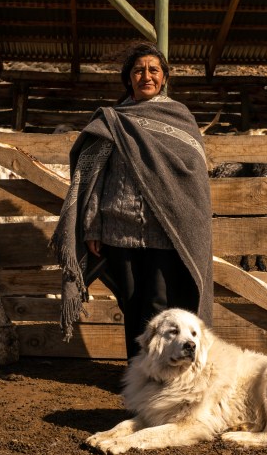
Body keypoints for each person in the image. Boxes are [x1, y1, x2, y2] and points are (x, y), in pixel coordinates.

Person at [51, 43, 213, 360]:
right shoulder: (112, 121)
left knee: (158, 303)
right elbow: (93, 179)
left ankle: (161, 371)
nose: (146, 76)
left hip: (165, 231)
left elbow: (192, 177)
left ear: (164, 77)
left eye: (153, 70)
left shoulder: (180, 118)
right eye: (139, 70)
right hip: (118, 230)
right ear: (129, 78)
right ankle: (137, 371)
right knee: (131, 303)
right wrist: (92, 226)